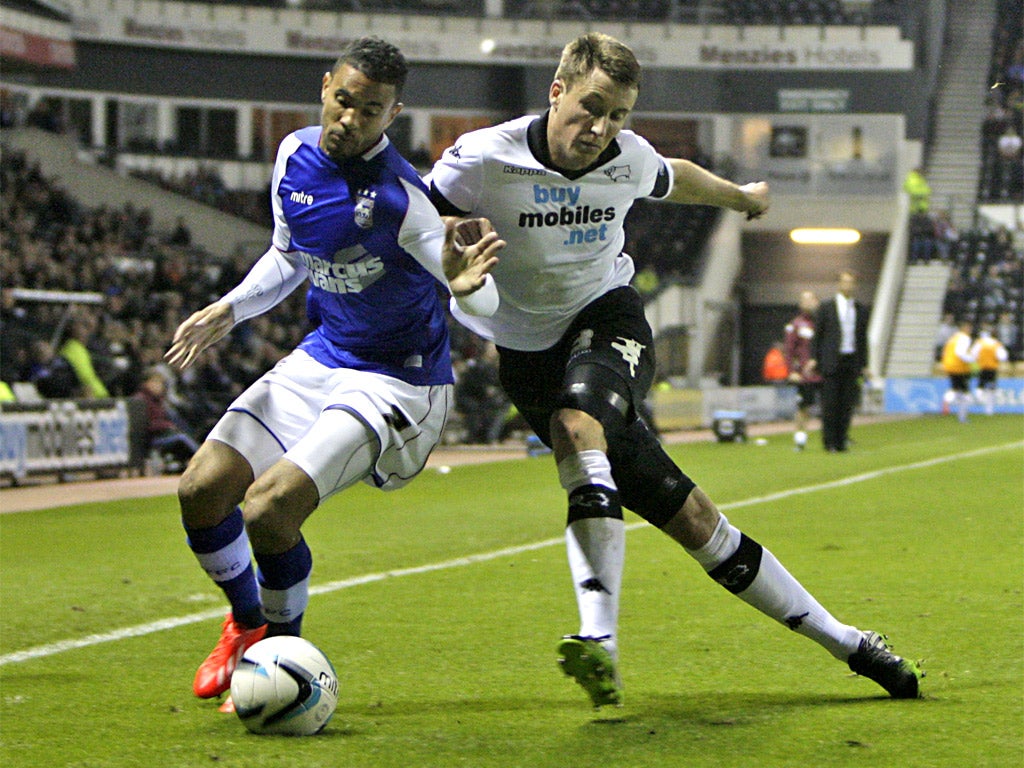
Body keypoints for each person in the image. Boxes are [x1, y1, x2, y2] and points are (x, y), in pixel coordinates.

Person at [428, 32, 921, 708]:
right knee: (697, 522)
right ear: (556, 92)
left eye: (620, 116)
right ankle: (850, 642)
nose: (602, 128)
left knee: (578, 423)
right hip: (527, 356)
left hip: (607, 320)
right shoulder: (482, 159)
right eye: (591, 107)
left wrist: (741, 195)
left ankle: (597, 643)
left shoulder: (626, 158)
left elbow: (677, 175)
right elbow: (425, 223)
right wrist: (452, 277)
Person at [164, 37, 503, 712]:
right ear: (326, 88)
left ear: (392, 114)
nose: (350, 118)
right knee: (202, 488)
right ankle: (246, 621)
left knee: (267, 507)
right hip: (325, 353)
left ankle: (276, 660)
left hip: (399, 382)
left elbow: (485, 308)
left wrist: (467, 287)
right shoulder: (293, 155)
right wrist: (229, 310)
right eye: (344, 100)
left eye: (370, 110)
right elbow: (289, 258)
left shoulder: (404, 202)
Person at [811, 271, 869, 453]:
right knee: (830, 403)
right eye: (845, 282)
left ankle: (842, 440)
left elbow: (862, 338)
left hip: (851, 360)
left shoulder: (859, 308)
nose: (848, 286)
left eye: (851, 282)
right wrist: (815, 358)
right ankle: (829, 442)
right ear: (839, 284)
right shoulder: (827, 307)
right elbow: (818, 335)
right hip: (831, 361)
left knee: (846, 404)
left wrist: (864, 363)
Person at [134, 368, 200, 471]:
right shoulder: (141, 400)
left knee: (183, 432)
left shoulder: (158, 400)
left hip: (163, 433)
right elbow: (146, 425)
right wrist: (167, 425)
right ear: (147, 383)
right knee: (181, 438)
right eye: (156, 382)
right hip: (152, 438)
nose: (160, 386)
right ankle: (201, 459)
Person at [783, 291, 822, 450]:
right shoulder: (797, 325)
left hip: (824, 372)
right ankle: (800, 440)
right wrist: (791, 371)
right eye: (804, 300)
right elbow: (789, 350)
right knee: (803, 408)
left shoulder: (822, 322)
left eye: (810, 300)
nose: (808, 304)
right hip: (805, 375)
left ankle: (836, 438)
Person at [970, 324, 1009, 416]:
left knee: (980, 387)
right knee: (991, 390)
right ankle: (989, 410)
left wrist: (979, 358)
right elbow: (1003, 356)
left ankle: (979, 399)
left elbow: (973, 353)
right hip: (992, 369)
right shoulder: (996, 344)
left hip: (982, 368)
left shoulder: (980, 342)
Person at [940, 319, 974, 423]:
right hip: (959, 367)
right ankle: (960, 415)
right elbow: (960, 353)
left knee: (957, 389)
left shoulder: (953, 338)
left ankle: (960, 415)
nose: (970, 330)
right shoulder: (964, 338)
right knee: (965, 394)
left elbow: (945, 352)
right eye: (969, 328)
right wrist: (972, 359)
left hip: (949, 366)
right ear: (965, 328)